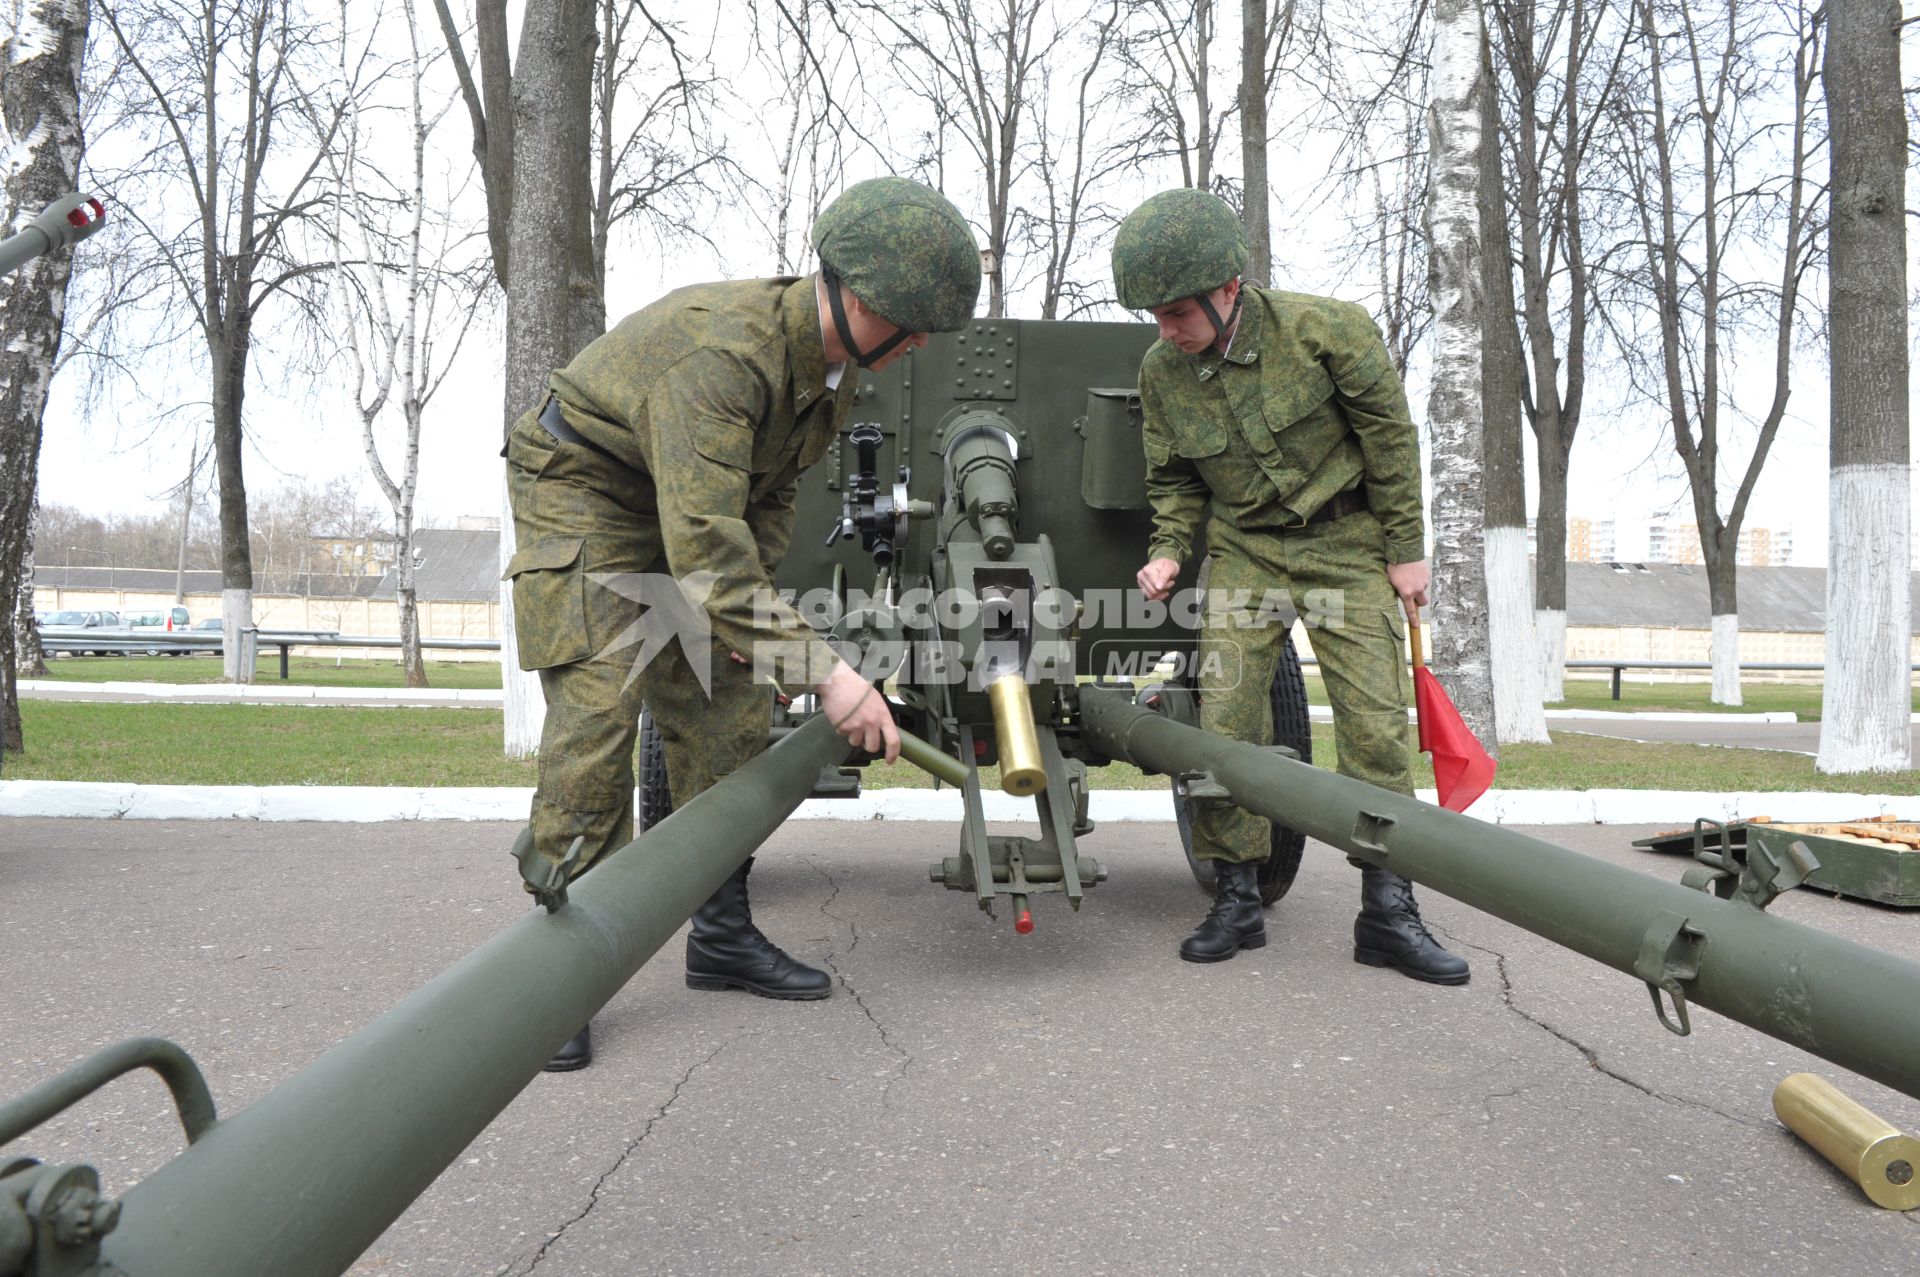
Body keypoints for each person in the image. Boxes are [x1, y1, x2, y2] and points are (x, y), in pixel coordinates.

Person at [504, 177, 983, 1069]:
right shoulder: (722, 357)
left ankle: (718, 933)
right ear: (859, 293)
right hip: (586, 488)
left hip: (684, 506)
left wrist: (754, 621)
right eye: (911, 322)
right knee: (602, 711)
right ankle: (556, 976)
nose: (919, 344)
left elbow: (764, 503)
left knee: (726, 709)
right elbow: (706, 552)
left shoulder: (831, 374)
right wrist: (831, 675)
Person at [1110, 187, 1468, 985]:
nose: (1166, 330)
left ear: (1229, 289)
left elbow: (1390, 438)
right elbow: (1172, 478)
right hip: (1244, 550)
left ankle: (1388, 908)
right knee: (1225, 723)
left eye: (1177, 312)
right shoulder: (1163, 370)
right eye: (1155, 317)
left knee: (1374, 729)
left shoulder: (1327, 330)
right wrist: (1169, 549)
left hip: (1347, 544)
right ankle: (1235, 895)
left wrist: (1407, 549)